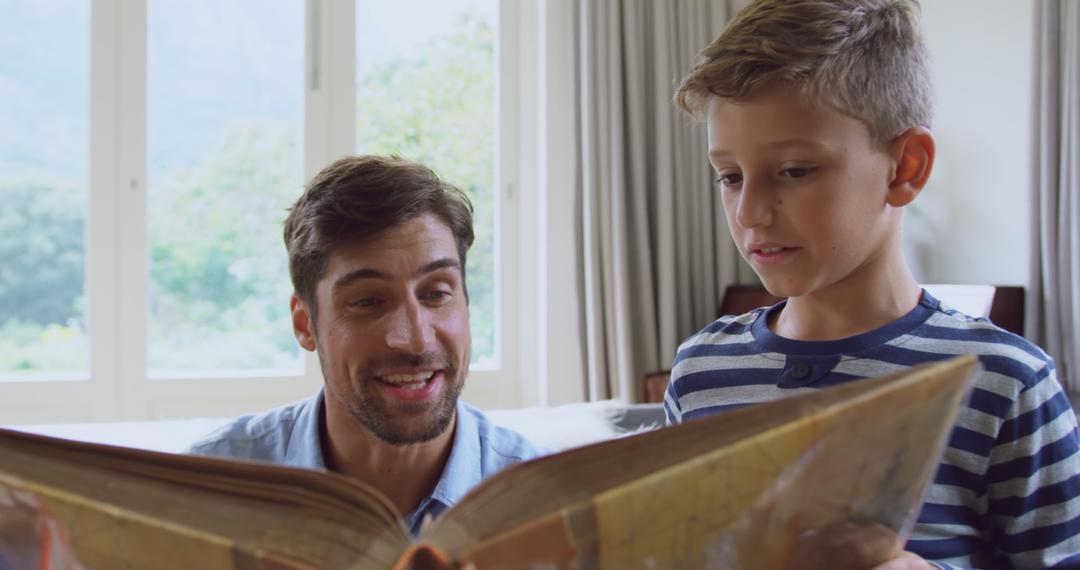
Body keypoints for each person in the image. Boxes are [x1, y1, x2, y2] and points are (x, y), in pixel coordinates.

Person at [665, 0, 1080, 568]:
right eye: (731, 177)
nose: (750, 213)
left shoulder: (1006, 383)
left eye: (794, 171)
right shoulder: (699, 372)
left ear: (905, 167)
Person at [188, 155, 542, 534]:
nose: (416, 339)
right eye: (368, 301)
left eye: (436, 293)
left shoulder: (549, 502)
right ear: (305, 323)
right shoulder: (199, 497)